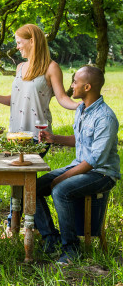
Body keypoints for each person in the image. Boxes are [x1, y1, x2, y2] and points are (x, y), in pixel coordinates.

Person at [0, 24, 80, 230]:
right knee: (19, 182)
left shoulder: (51, 68)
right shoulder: (20, 68)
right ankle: (15, 225)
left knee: (25, 184)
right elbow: (17, 100)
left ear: (32, 41)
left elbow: (62, 98)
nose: (17, 47)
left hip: (37, 136)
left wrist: (83, 105)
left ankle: (46, 235)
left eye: (19, 42)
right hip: (14, 135)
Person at [35, 66, 120, 264]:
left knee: (60, 190)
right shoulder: (82, 109)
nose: (71, 85)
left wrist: (60, 179)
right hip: (81, 165)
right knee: (34, 187)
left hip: (102, 173)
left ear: (87, 87)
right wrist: (53, 138)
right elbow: (80, 140)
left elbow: (94, 161)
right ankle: (51, 238)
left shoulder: (105, 118)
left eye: (75, 82)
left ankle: (71, 250)